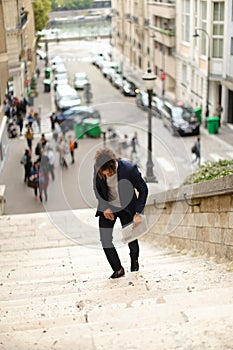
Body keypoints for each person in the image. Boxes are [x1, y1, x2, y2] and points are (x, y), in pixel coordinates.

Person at [93, 148, 148, 279]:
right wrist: (105, 207)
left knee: (132, 240)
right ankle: (118, 269)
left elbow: (143, 189)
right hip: (108, 208)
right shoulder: (98, 169)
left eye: (106, 172)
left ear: (112, 165)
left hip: (127, 208)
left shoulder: (129, 169)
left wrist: (138, 213)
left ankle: (134, 263)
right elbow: (96, 189)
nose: (104, 175)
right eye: (102, 173)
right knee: (105, 240)